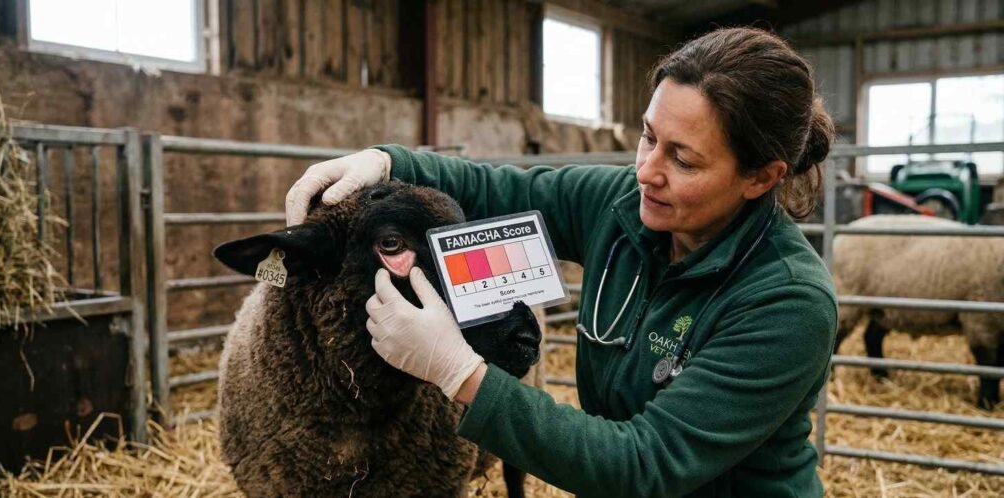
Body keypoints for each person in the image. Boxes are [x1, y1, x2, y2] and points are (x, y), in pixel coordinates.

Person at [284, 27, 838, 498]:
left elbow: (644, 463)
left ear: (761, 177)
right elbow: (495, 189)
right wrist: (385, 161)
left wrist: (459, 371)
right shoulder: (624, 205)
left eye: (683, 159)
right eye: (648, 137)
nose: (647, 171)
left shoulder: (786, 303)